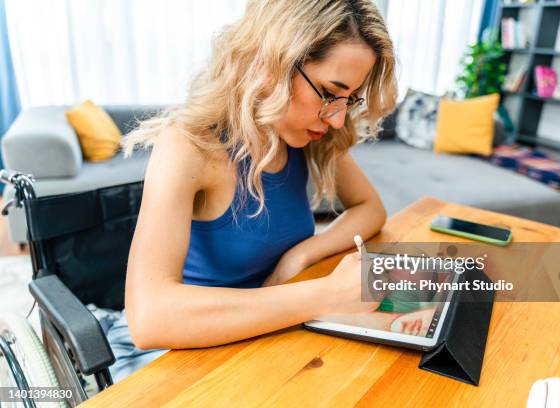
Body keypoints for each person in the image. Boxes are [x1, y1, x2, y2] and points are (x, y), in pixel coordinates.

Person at [106, 0, 397, 382]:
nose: (338, 117)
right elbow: (150, 318)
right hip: (178, 353)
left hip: (263, 335)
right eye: (329, 92)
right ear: (269, 61)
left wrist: (302, 254)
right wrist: (325, 294)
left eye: (349, 98)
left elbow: (370, 208)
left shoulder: (306, 133)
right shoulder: (190, 146)